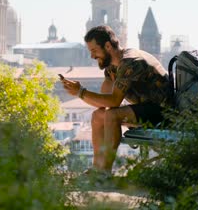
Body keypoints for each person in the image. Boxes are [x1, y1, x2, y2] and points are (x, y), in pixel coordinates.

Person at [60, 25, 172, 177]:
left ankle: (104, 173)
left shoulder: (130, 62)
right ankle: (97, 169)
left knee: (113, 115)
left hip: (164, 111)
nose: (92, 57)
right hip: (145, 108)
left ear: (107, 46)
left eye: (94, 51)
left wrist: (81, 92)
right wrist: (79, 93)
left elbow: (113, 101)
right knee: (98, 116)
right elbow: (104, 103)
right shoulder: (111, 68)